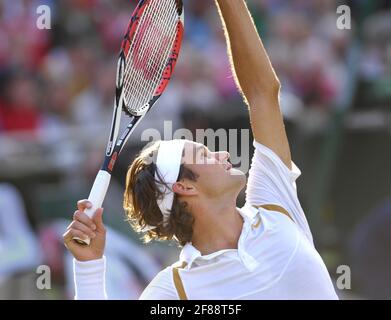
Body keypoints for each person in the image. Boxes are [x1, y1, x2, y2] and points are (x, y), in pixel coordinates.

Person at [63, 0, 338, 300]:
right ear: (183, 186)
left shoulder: (274, 203)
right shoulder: (174, 292)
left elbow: (263, 92)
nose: (223, 154)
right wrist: (88, 269)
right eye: (205, 155)